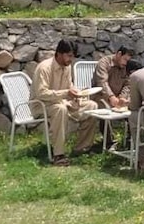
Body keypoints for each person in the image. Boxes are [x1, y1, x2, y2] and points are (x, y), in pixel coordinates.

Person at [30, 38, 99, 166]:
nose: (70, 59)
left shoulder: (67, 67)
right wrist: (66, 93)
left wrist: (76, 94)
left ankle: (82, 148)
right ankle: (58, 154)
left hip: (62, 102)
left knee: (92, 105)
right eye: (68, 56)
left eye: (72, 56)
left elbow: (69, 86)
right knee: (60, 109)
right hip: (42, 105)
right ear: (59, 53)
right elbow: (42, 93)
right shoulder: (44, 68)